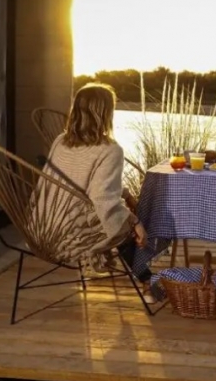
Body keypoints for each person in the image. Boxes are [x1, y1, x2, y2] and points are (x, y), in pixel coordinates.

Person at [40, 82, 155, 302]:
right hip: (71, 237)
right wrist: (134, 221)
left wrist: (126, 194)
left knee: (117, 213)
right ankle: (147, 281)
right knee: (121, 222)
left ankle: (145, 273)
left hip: (45, 227)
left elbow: (88, 185)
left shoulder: (60, 141)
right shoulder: (110, 150)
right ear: (105, 114)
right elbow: (102, 199)